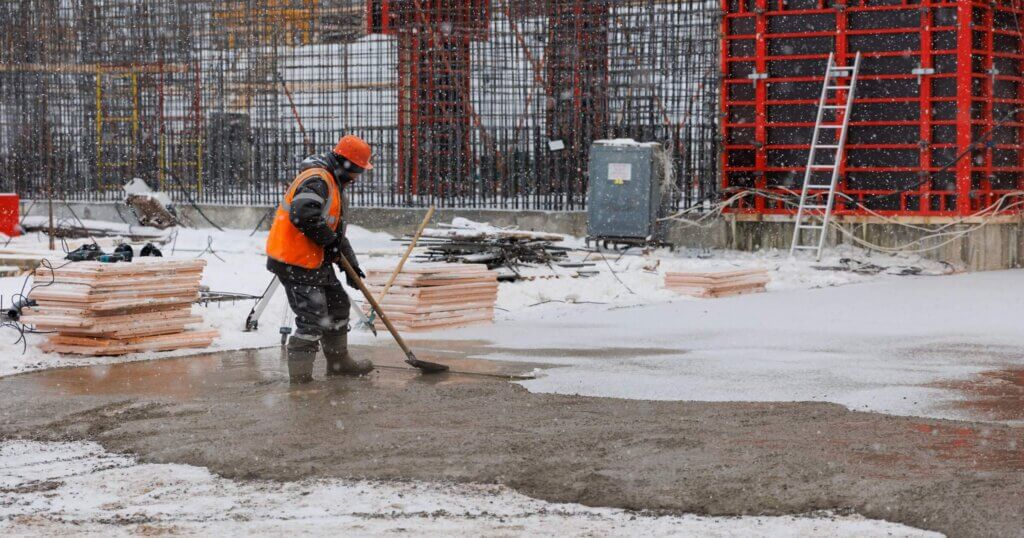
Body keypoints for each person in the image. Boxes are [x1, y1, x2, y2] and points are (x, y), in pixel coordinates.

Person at [265, 135, 375, 384]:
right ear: (345, 164)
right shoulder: (318, 179)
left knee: (337, 306)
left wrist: (351, 266)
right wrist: (330, 243)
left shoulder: (332, 182)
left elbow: (334, 232)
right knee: (312, 319)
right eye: (357, 170)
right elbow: (303, 214)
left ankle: (339, 364)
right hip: (293, 259)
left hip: (313, 258)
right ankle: (301, 380)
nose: (357, 177)